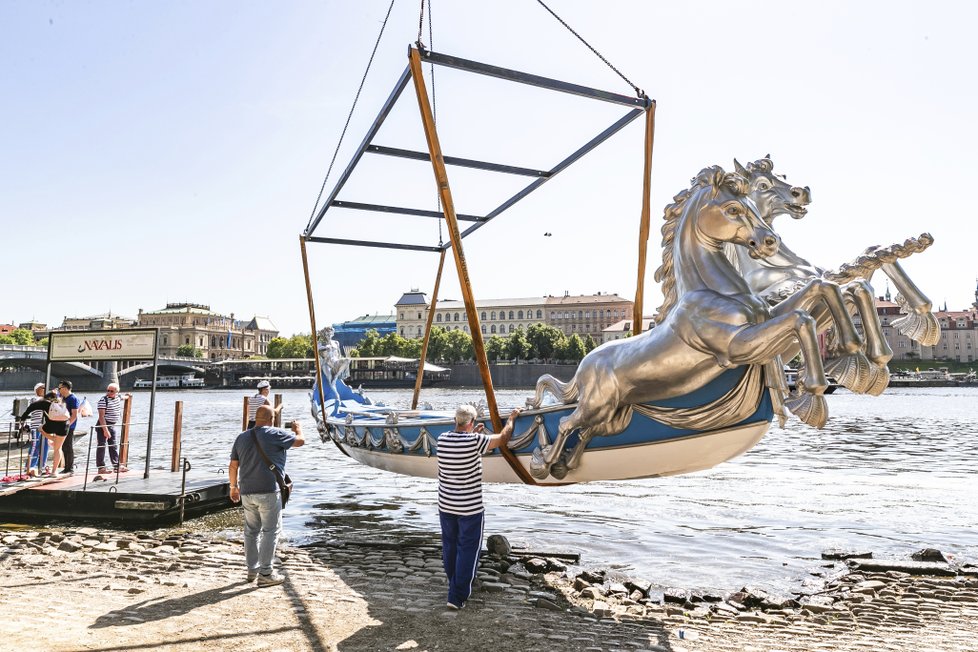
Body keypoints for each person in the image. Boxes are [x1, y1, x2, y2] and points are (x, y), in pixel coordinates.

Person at [437, 404, 521, 610]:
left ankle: (454, 584)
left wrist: (473, 435)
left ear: (455, 421)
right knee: (468, 549)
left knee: (450, 546)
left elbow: (461, 443)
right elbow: (503, 438)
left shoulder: (442, 439)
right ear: (472, 422)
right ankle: (456, 597)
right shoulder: (475, 441)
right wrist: (511, 419)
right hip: (469, 508)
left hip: (446, 505)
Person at [228, 404, 304, 587]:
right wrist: (298, 428)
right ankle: (266, 573)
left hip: (246, 491)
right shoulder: (275, 433)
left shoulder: (242, 437)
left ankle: (251, 570)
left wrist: (233, 487)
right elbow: (300, 441)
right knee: (271, 531)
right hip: (269, 490)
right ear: (271, 420)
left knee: (251, 531)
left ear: (255, 418)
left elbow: (233, 465)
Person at [19, 391, 69, 477]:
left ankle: (52, 439)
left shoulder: (45, 403)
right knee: (58, 449)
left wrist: (23, 418)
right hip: (64, 426)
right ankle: (54, 472)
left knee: (40, 428)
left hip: (51, 426)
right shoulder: (61, 403)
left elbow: (32, 407)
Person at [95, 382, 127, 474]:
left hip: (112, 425)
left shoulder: (117, 397)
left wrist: (128, 396)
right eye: (108, 390)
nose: (109, 392)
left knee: (113, 446)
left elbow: (123, 397)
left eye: (111, 391)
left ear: (117, 392)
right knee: (101, 446)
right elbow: (101, 417)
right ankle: (101, 468)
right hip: (103, 425)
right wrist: (105, 430)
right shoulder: (103, 400)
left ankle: (116, 466)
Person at [22, 382, 48, 474]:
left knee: (45, 446)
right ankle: (29, 466)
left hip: (45, 428)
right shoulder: (34, 399)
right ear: (37, 390)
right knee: (35, 446)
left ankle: (42, 466)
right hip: (36, 427)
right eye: (43, 388)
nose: (45, 389)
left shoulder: (46, 399)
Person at [58, 380, 80, 474]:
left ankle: (69, 468)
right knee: (63, 446)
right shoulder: (62, 398)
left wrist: (67, 425)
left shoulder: (73, 398)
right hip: (61, 425)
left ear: (66, 388)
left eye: (60, 388)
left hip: (69, 427)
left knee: (68, 446)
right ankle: (66, 467)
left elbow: (74, 415)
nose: (59, 390)